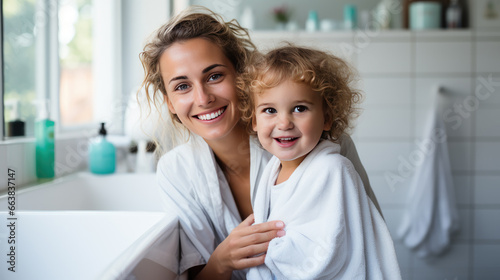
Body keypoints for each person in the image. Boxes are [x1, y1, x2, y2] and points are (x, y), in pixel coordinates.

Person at [139, 7, 383, 280]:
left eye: (214, 76)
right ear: (170, 102)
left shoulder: (318, 146)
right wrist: (222, 260)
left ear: (242, 78)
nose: (203, 98)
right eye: (182, 86)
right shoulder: (176, 171)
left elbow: (366, 242)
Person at [241, 46, 401, 279]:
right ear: (254, 120)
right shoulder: (271, 170)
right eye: (270, 110)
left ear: (326, 117)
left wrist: (260, 246)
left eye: (299, 108)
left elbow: (326, 254)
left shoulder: (333, 170)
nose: (284, 122)